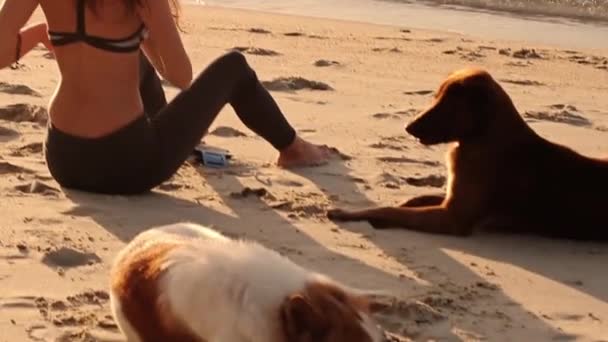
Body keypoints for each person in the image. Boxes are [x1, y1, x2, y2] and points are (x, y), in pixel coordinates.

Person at [0, 0, 333, 195]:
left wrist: (43, 31)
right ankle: (294, 150)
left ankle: (181, 145)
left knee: (133, 63)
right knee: (234, 67)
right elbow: (180, 76)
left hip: (64, 160)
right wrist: (144, 32)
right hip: (129, 166)